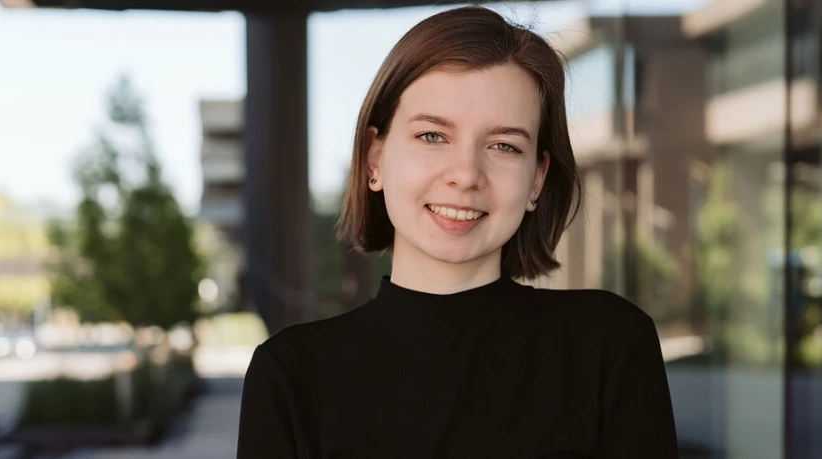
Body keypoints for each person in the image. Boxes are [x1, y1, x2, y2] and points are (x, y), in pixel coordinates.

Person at [236, 6, 678, 458]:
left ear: (537, 180)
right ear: (374, 158)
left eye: (504, 145)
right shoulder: (292, 376)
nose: (466, 175)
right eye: (432, 136)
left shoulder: (609, 346)